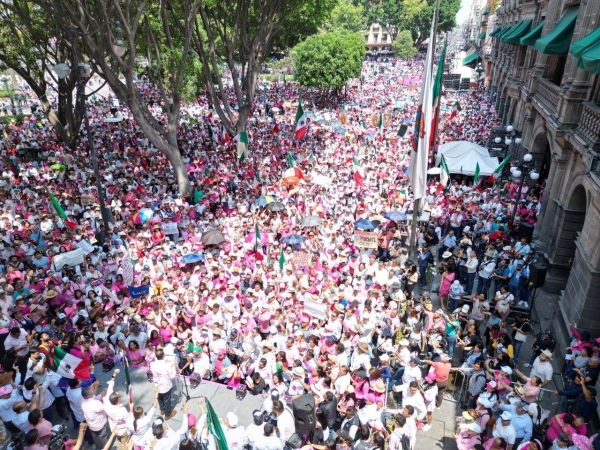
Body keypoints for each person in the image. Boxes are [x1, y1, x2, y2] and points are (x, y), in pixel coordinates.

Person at [81, 377, 112, 448]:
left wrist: (101, 394)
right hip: (99, 425)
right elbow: (105, 407)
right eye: (92, 390)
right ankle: (105, 447)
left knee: (95, 437)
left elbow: (93, 397)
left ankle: (98, 447)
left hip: (91, 425)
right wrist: (105, 396)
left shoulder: (83, 399)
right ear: (90, 395)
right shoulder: (96, 404)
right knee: (103, 437)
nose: (93, 389)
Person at [150, 348, 178, 420]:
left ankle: (162, 409)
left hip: (157, 385)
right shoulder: (167, 365)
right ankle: (167, 414)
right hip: (165, 386)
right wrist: (174, 367)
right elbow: (172, 376)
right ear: (163, 356)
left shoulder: (152, 364)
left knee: (159, 397)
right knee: (167, 400)